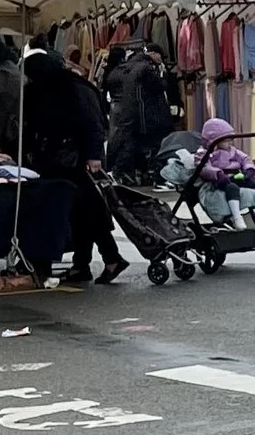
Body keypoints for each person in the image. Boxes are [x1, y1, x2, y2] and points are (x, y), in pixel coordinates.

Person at [17, 49, 121, 286]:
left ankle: (108, 258)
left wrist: (93, 156)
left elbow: (92, 123)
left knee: (87, 210)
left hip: (74, 161)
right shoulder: (60, 87)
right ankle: (86, 263)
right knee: (82, 212)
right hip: (65, 160)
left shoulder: (69, 89)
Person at [106, 46, 174, 180]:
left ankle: (124, 172)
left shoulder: (122, 68)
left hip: (122, 114)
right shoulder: (146, 68)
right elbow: (159, 87)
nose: (161, 59)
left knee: (128, 144)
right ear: (153, 54)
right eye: (160, 55)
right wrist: (164, 76)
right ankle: (155, 176)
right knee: (153, 144)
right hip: (145, 115)